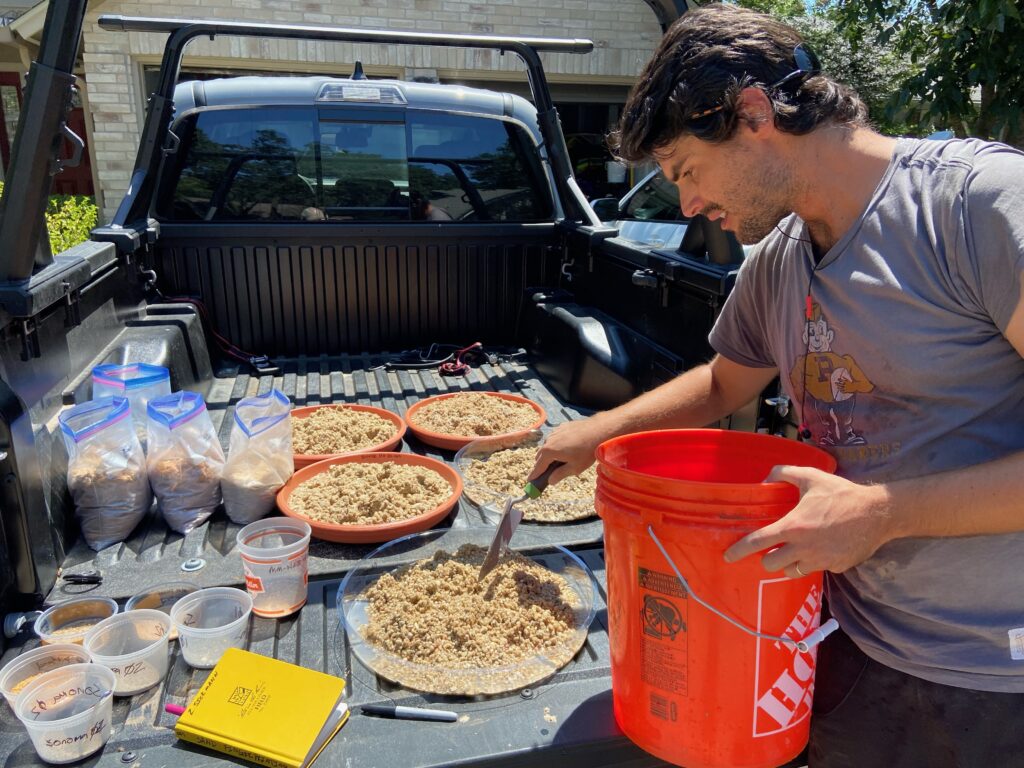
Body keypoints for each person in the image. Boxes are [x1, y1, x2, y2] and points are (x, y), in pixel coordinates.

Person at [530, 4, 1024, 766]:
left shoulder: (977, 207)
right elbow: (723, 382)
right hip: (834, 635)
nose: (688, 205)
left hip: (989, 678)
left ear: (754, 113)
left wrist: (883, 514)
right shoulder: (777, 259)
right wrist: (595, 436)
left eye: (687, 172)